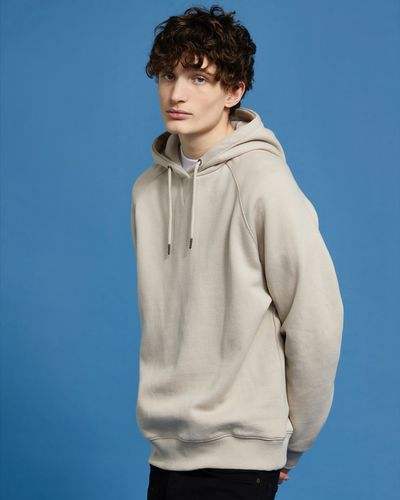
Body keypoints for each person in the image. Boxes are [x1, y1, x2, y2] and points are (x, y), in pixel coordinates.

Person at [130, 5, 344, 499]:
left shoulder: (264, 184)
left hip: (239, 459)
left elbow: (315, 319)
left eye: (198, 78)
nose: (176, 94)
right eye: (167, 75)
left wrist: (293, 441)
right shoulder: (147, 192)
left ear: (234, 91)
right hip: (166, 452)